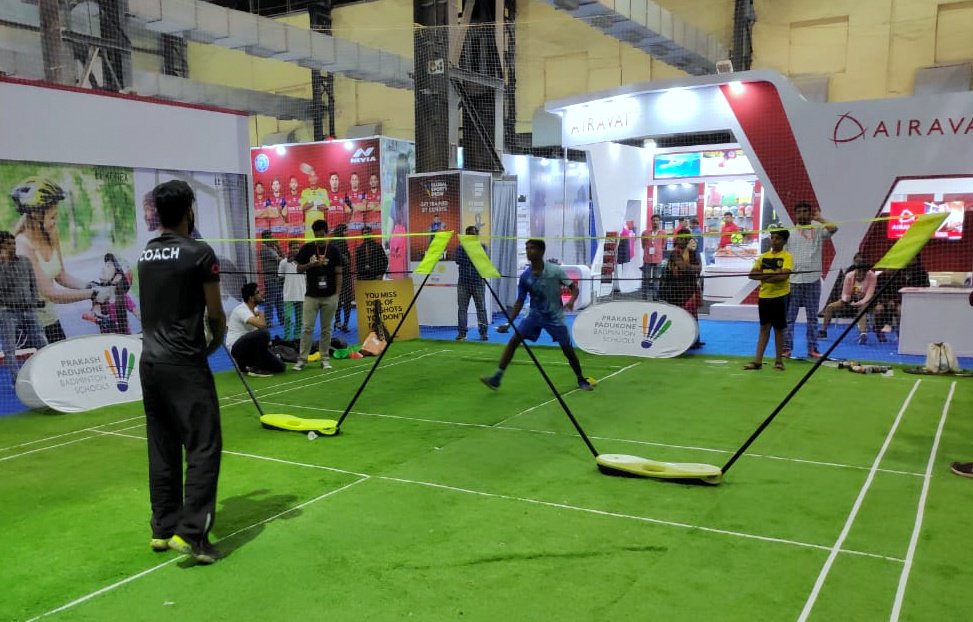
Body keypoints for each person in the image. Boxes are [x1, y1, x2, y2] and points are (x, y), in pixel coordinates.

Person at [137, 180, 226, 564]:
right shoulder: (199, 254)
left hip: (151, 364)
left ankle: (163, 528)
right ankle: (192, 535)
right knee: (204, 445)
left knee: (162, 446)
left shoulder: (145, 254)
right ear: (190, 208)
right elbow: (215, 311)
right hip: (184, 364)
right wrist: (216, 339)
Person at [480, 239, 593, 391]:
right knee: (514, 341)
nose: (528, 251)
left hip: (555, 318)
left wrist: (572, 301)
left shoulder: (555, 271)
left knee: (567, 349)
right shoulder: (525, 276)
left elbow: (574, 288)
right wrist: (509, 323)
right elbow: (520, 301)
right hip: (534, 316)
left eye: (532, 248)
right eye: (527, 248)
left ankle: (580, 379)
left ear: (541, 251)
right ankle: (497, 378)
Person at [10, 177, 112, 343]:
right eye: (52, 217)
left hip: (50, 321)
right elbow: (51, 293)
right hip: (27, 329)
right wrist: (92, 293)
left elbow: (61, 275)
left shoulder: (51, 233)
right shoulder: (22, 247)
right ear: (35, 215)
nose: (55, 222)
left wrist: (90, 285)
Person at [783, 201, 838, 359]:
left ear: (810, 213)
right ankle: (786, 349)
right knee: (790, 318)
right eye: (799, 211)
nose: (802, 214)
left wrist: (820, 218)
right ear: (795, 214)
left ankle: (812, 349)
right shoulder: (789, 233)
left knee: (812, 318)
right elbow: (785, 257)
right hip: (793, 281)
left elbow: (834, 228)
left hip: (813, 280)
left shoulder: (819, 230)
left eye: (805, 211)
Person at [293, 219, 343, 371]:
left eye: (321, 234)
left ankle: (325, 359)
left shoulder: (334, 250)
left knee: (326, 329)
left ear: (326, 233)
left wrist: (337, 295)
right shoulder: (307, 248)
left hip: (330, 296)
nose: (319, 237)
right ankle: (302, 360)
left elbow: (339, 272)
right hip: (311, 295)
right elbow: (299, 269)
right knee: (307, 327)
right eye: (316, 234)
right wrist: (311, 265)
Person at [0, 230, 47, 386]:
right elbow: (3, 288)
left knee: (40, 340)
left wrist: (33, 302)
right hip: (8, 312)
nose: (12, 246)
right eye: (8, 244)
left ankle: (47, 372)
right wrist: (5, 263)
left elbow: (33, 284)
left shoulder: (25, 261)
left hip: (29, 309)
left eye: (13, 243)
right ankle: (16, 380)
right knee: (10, 348)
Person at [744, 228, 792, 371]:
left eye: (777, 238)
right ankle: (757, 361)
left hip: (781, 296)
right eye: (772, 237)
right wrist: (772, 275)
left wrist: (764, 275)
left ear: (784, 241)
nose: (774, 240)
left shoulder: (787, 257)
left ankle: (778, 361)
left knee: (779, 329)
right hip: (764, 297)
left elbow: (783, 277)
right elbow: (752, 275)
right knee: (764, 328)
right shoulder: (763, 256)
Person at [226, 282, 285, 377]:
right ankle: (256, 368)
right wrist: (261, 315)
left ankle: (246, 365)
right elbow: (262, 326)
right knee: (263, 333)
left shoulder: (255, 309)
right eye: (258, 292)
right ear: (251, 298)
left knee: (280, 367)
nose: (261, 293)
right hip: (236, 348)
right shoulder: (241, 310)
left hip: (249, 348)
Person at [659, 228, 703, 348]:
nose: (683, 240)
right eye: (681, 237)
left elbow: (699, 268)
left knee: (693, 315)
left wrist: (689, 267)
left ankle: (694, 341)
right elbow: (683, 267)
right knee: (679, 315)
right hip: (676, 289)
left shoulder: (693, 253)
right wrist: (690, 267)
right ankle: (679, 340)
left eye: (686, 238)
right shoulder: (675, 253)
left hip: (690, 287)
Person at [819, 253, 876, 344]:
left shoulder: (872, 276)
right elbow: (845, 293)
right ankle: (823, 331)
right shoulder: (849, 275)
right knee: (830, 307)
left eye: (862, 272)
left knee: (863, 309)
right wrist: (847, 300)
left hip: (864, 301)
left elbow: (869, 294)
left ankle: (863, 334)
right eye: (858, 272)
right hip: (849, 300)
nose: (860, 274)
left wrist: (859, 302)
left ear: (866, 271)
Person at [873, 257, 929, 339]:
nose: (890, 269)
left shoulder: (900, 277)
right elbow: (877, 293)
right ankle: (879, 331)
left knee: (900, 310)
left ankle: (900, 332)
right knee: (878, 309)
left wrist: (895, 301)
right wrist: (885, 301)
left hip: (897, 302)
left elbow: (901, 292)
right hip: (883, 302)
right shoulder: (880, 278)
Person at [455, 226, 489, 341]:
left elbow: (483, 261)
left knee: (481, 309)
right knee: (462, 309)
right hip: (463, 283)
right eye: (468, 233)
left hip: (478, 283)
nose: (470, 234)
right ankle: (462, 334)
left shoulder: (483, 246)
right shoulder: (460, 247)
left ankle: (483, 333)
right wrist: (472, 257)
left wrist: (471, 257)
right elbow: (459, 260)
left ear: (476, 234)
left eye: (472, 233)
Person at [278, 241, 305, 346]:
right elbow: (280, 278)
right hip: (288, 294)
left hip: (301, 293)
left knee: (300, 319)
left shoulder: (304, 262)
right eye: (294, 247)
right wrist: (286, 288)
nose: (296, 250)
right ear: (289, 248)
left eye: (298, 248)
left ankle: (297, 337)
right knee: (288, 317)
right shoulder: (283, 263)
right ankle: (287, 339)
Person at [257, 231, 284, 327]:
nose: (273, 238)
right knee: (270, 301)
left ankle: (282, 320)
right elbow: (282, 260)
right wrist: (278, 247)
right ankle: (267, 321)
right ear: (266, 238)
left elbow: (283, 258)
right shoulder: (265, 249)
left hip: (277, 279)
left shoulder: (271, 249)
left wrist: (278, 248)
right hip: (271, 279)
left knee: (279, 301)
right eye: (271, 237)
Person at [331, 223, 353, 332]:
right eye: (346, 231)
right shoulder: (336, 243)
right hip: (339, 275)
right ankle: (341, 323)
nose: (347, 233)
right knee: (342, 300)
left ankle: (341, 322)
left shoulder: (340, 242)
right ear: (341, 231)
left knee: (342, 299)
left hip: (343, 275)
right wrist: (344, 260)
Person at [640, 214, 665, 300]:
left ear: (659, 222)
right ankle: (644, 297)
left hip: (657, 259)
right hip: (647, 258)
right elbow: (643, 244)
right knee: (645, 279)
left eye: (657, 220)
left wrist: (657, 250)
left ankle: (655, 297)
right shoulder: (645, 232)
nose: (655, 222)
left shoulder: (663, 233)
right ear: (651, 221)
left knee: (656, 280)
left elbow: (663, 245)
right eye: (654, 220)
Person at [299, 168, 328, 239]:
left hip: (320, 229)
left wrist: (311, 204)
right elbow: (304, 207)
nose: (312, 178)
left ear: (317, 178)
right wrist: (317, 204)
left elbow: (325, 207)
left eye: (314, 176)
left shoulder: (323, 191)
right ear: (308, 179)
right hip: (309, 230)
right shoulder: (304, 192)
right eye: (310, 176)